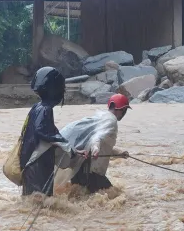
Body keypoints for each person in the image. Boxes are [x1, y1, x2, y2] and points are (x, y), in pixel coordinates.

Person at [19, 67, 76, 196]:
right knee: (41, 202)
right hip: (38, 166)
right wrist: (69, 149)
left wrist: (72, 149)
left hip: (28, 165)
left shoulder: (37, 107)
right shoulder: (46, 110)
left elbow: (52, 131)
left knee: (31, 202)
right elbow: (44, 131)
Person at [59, 93, 131, 193]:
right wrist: (96, 149)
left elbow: (102, 145)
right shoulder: (111, 120)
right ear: (121, 109)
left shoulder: (101, 117)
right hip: (91, 172)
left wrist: (119, 153)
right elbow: (96, 138)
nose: (125, 113)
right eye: (125, 110)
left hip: (79, 170)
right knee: (112, 195)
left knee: (81, 198)